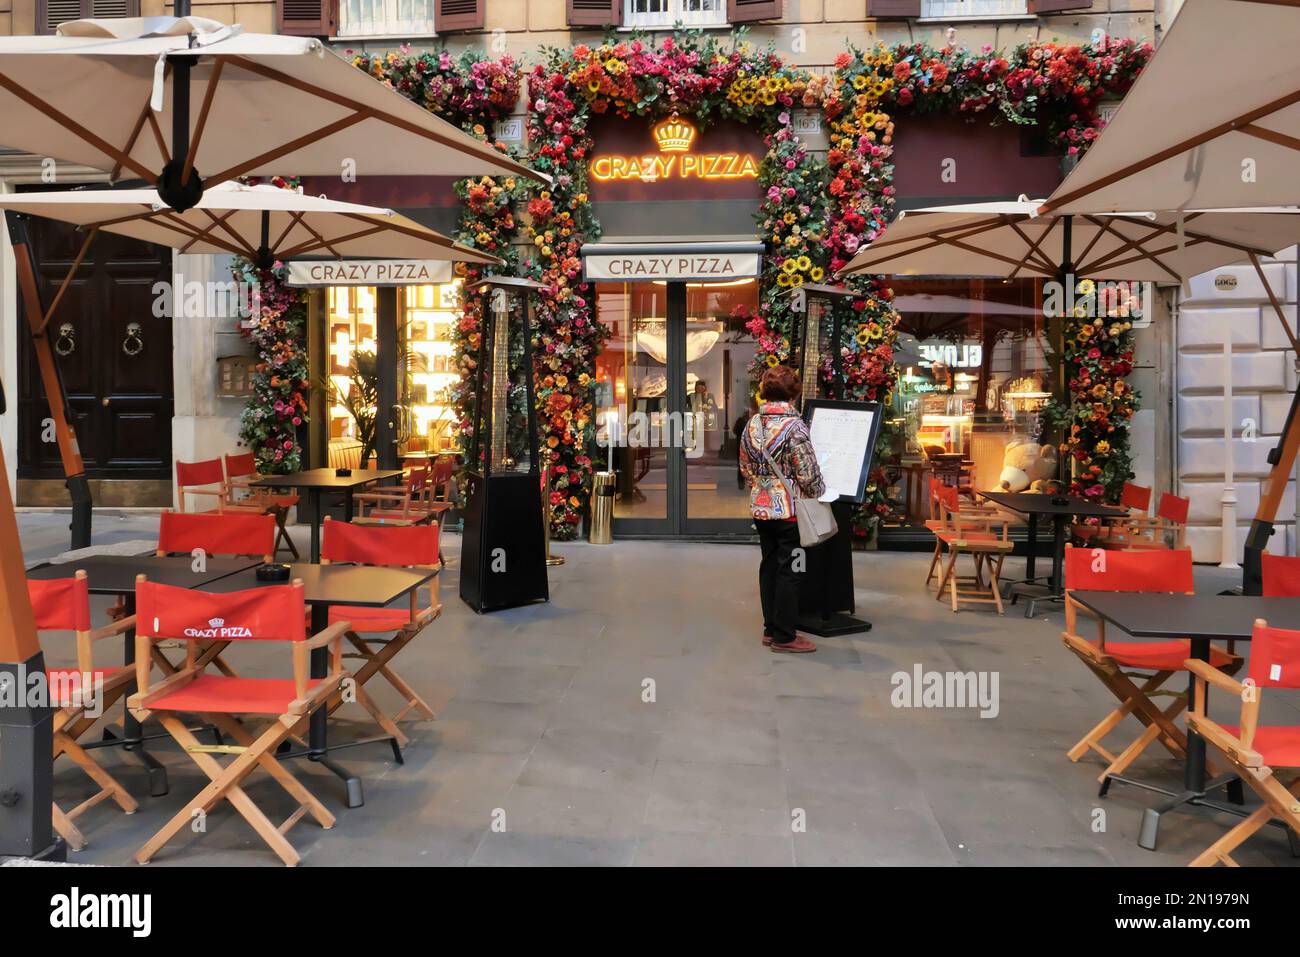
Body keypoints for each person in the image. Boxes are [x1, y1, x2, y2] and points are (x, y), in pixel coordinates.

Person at [739, 365, 825, 654]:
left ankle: (770, 629)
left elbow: (744, 466)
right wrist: (818, 492)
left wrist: (763, 486)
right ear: (794, 392)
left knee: (769, 565)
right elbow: (807, 473)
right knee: (792, 569)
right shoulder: (795, 426)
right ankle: (785, 636)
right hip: (790, 514)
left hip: (761, 509)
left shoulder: (752, 424)